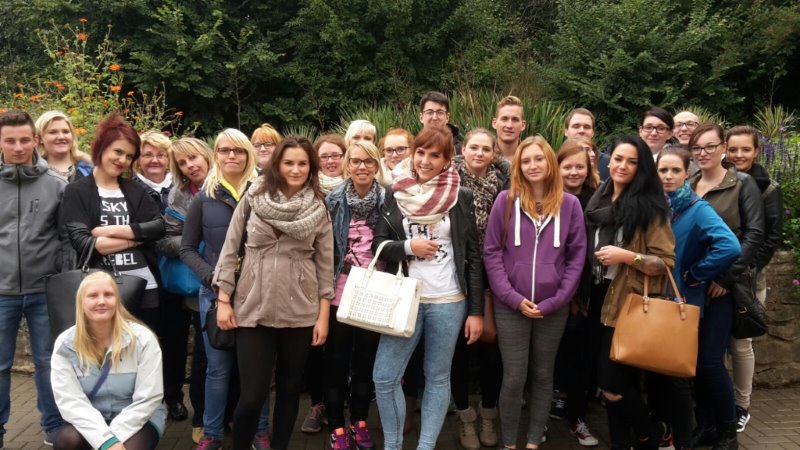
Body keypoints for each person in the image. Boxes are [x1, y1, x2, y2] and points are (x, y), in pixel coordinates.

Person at [213, 136, 334, 450]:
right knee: (252, 396)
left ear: (311, 167)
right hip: (253, 306)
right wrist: (223, 300)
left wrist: (323, 317)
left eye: (302, 163)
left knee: (290, 390)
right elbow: (229, 249)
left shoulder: (319, 208)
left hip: (301, 310)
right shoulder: (254, 197)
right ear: (277, 164)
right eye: (289, 162)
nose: (295, 169)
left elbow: (325, 265)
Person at [372, 124, 484, 450]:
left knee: (437, 378)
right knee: (384, 376)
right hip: (404, 298)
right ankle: (392, 444)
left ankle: (426, 446)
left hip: (448, 300)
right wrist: (409, 247)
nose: (424, 160)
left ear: (447, 160)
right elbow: (379, 245)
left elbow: (473, 257)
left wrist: (476, 311)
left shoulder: (460, 196)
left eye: (434, 155)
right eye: (420, 152)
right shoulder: (396, 192)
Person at [483, 136, 587, 450]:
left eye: (538, 159)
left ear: (550, 162)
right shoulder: (505, 201)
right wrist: (512, 297)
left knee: (543, 374)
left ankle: (532, 441)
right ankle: (509, 443)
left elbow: (576, 257)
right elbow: (492, 252)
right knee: (514, 377)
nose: (532, 165)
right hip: (510, 305)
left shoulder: (570, 204)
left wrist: (558, 300)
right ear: (518, 166)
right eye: (526, 160)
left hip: (552, 307)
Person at [584, 135, 675, 450]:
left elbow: (664, 263)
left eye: (631, 161)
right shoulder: (598, 199)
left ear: (642, 167)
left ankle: (652, 435)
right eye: (618, 159)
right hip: (597, 296)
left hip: (627, 302)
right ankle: (622, 443)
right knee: (616, 383)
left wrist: (628, 257)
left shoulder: (651, 208)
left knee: (611, 382)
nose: (622, 166)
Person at [179, 129, 268, 450]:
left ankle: (260, 432)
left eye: (238, 150)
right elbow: (187, 248)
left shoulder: (265, 191)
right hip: (215, 297)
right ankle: (212, 434)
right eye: (224, 150)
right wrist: (212, 278)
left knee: (255, 371)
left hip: (257, 295)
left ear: (248, 154)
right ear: (215, 154)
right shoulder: (204, 197)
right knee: (218, 369)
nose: (232, 155)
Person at [656, 147, 741, 450]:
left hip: (691, 301)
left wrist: (697, 273)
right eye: (662, 170)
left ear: (687, 173)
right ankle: (704, 427)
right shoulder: (660, 208)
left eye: (675, 170)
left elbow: (730, 246)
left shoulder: (697, 208)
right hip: (666, 302)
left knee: (705, 365)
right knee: (686, 370)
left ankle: (728, 432)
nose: (668, 176)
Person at [688, 123, 765, 449]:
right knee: (694, 362)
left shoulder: (742, 184)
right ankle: (706, 425)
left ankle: (727, 431)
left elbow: (755, 235)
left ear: (722, 147)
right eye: (697, 148)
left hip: (723, 288)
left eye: (709, 146)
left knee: (710, 360)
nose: (703, 153)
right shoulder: (690, 184)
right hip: (692, 286)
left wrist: (726, 277)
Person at [61, 115, 166, 332]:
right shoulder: (77, 191)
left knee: (144, 347)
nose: (123, 160)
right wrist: (136, 239)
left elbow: (158, 227)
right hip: (100, 290)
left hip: (145, 287)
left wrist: (109, 230)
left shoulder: (135, 190)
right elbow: (85, 243)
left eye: (129, 156)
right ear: (101, 148)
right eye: (118, 151)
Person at [0, 110, 66, 448]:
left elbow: (66, 237)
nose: (18, 147)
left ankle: (54, 429)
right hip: (1, 291)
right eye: (10, 140)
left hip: (44, 290)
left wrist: (58, 275)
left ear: (36, 141)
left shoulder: (56, 184)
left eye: (25, 140)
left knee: (49, 364)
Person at [50, 271, 166, 450]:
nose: (102, 301)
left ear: (117, 300)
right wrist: (106, 441)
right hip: (90, 417)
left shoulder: (143, 339)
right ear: (81, 302)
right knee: (66, 441)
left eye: (108, 295)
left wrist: (111, 440)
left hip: (139, 418)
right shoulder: (65, 344)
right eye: (93, 296)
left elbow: (148, 398)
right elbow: (70, 401)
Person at [323, 140, 386, 450]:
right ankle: (336, 426)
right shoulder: (333, 200)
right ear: (347, 165)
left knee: (365, 362)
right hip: (339, 292)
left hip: (374, 293)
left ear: (376, 165)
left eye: (368, 161)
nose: (362, 167)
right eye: (356, 161)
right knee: (335, 362)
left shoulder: (389, 200)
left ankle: (359, 421)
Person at [450, 128, 509, 449]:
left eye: (486, 149)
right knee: (458, 349)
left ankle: (488, 412)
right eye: (474, 147)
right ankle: (464, 416)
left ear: (494, 153)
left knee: (491, 348)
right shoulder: (449, 182)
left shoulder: (504, 186)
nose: (479, 153)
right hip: (456, 274)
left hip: (492, 274)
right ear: (463, 149)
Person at [155, 137, 214, 442]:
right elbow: (164, 242)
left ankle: (226, 415)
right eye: (182, 162)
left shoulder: (231, 183)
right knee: (203, 355)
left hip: (238, 285)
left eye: (193, 157)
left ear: (206, 155)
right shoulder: (179, 195)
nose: (190, 165)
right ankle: (201, 419)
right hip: (198, 287)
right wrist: (199, 241)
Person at [725, 125, 782, 433]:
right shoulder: (718, 180)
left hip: (747, 279)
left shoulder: (768, 188)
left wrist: (746, 269)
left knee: (741, 344)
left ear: (757, 151)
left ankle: (741, 405)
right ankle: (717, 402)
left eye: (745, 149)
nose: (739, 155)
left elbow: (770, 237)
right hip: (717, 275)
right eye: (733, 149)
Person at [551, 139, 600, 447]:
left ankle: (577, 416)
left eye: (579, 166)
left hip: (589, 289)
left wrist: (580, 295)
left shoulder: (598, 198)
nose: (573, 172)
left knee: (582, 352)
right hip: (555, 289)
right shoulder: (548, 198)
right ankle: (555, 400)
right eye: (567, 166)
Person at [35, 110, 92, 181]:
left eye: (66, 132)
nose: (61, 137)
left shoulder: (89, 169)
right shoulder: (34, 173)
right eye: (53, 132)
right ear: (40, 139)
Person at [135, 131, 173, 211]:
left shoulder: (181, 186)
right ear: (138, 160)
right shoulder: (130, 191)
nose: (155, 160)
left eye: (160, 155)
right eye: (148, 155)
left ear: (168, 159)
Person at [492, 96, 526, 161]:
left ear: (523, 125)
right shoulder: (484, 157)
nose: (509, 125)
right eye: (504, 119)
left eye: (515, 120)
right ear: (494, 123)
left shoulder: (530, 157)